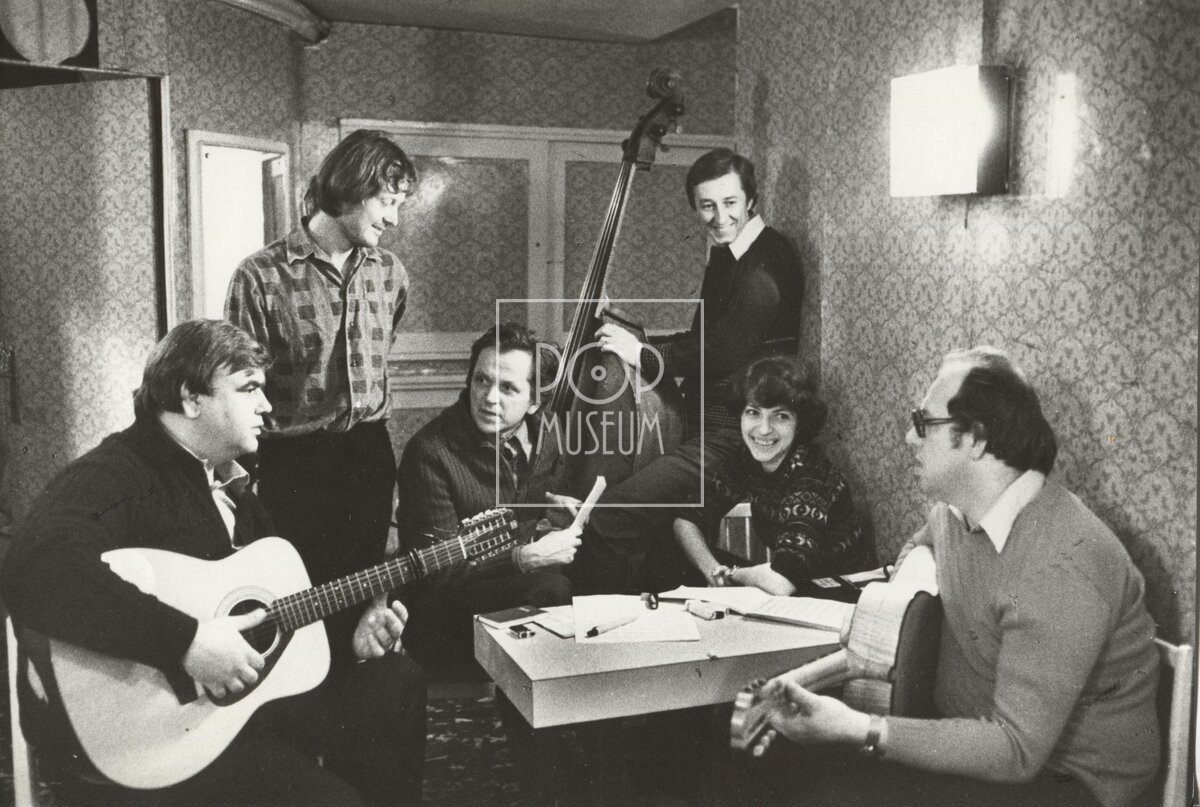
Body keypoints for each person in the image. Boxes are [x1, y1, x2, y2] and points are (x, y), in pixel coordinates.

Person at [0, 320, 426, 806]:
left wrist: (350, 638)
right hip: (156, 739)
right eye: (248, 389)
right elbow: (35, 564)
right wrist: (186, 642)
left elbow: (269, 617)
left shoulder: (231, 485)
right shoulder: (117, 472)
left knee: (394, 682)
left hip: (238, 711)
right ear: (190, 398)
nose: (266, 406)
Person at [731, 346, 1161, 807]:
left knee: (828, 796)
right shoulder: (955, 513)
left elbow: (1016, 751)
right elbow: (921, 547)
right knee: (761, 757)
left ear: (975, 438)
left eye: (923, 423)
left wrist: (859, 728)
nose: (909, 438)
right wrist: (904, 593)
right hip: (969, 741)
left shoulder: (1063, 561)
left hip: (1068, 781)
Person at [578, 148, 805, 592]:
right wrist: (629, 333)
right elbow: (703, 337)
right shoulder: (730, 255)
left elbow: (720, 353)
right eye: (707, 206)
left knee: (609, 515)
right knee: (653, 531)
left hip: (737, 435)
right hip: (704, 425)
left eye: (730, 203)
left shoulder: (767, 264)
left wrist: (641, 351)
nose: (719, 217)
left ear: (752, 199)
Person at [225, 129, 416, 651]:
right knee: (298, 607)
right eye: (387, 201)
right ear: (351, 187)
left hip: (368, 454)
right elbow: (240, 388)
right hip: (293, 464)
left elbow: (381, 351)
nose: (394, 219)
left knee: (362, 606)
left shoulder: (391, 273)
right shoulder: (259, 277)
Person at [395, 322, 580, 670]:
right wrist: (524, 558)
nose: (489, 397)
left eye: (508, 388)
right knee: (553, 590)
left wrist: (549, 505)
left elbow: (516, 495)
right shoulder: (430, 453)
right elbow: (440, 576)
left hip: (510, 589)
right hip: (442, 613)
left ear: (534, 402)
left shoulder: (548, 434)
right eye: (482, 380)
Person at [673, 356, 873, 594]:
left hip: (836, 595)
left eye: (781, 416)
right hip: (790, 586)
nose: (764, 429)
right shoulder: (746, 459)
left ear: (799, 424)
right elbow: (686, 519)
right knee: (666, 551)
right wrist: (712, 570)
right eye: (753, 412)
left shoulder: (810, 478)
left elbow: (782, 582)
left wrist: (732, 574)